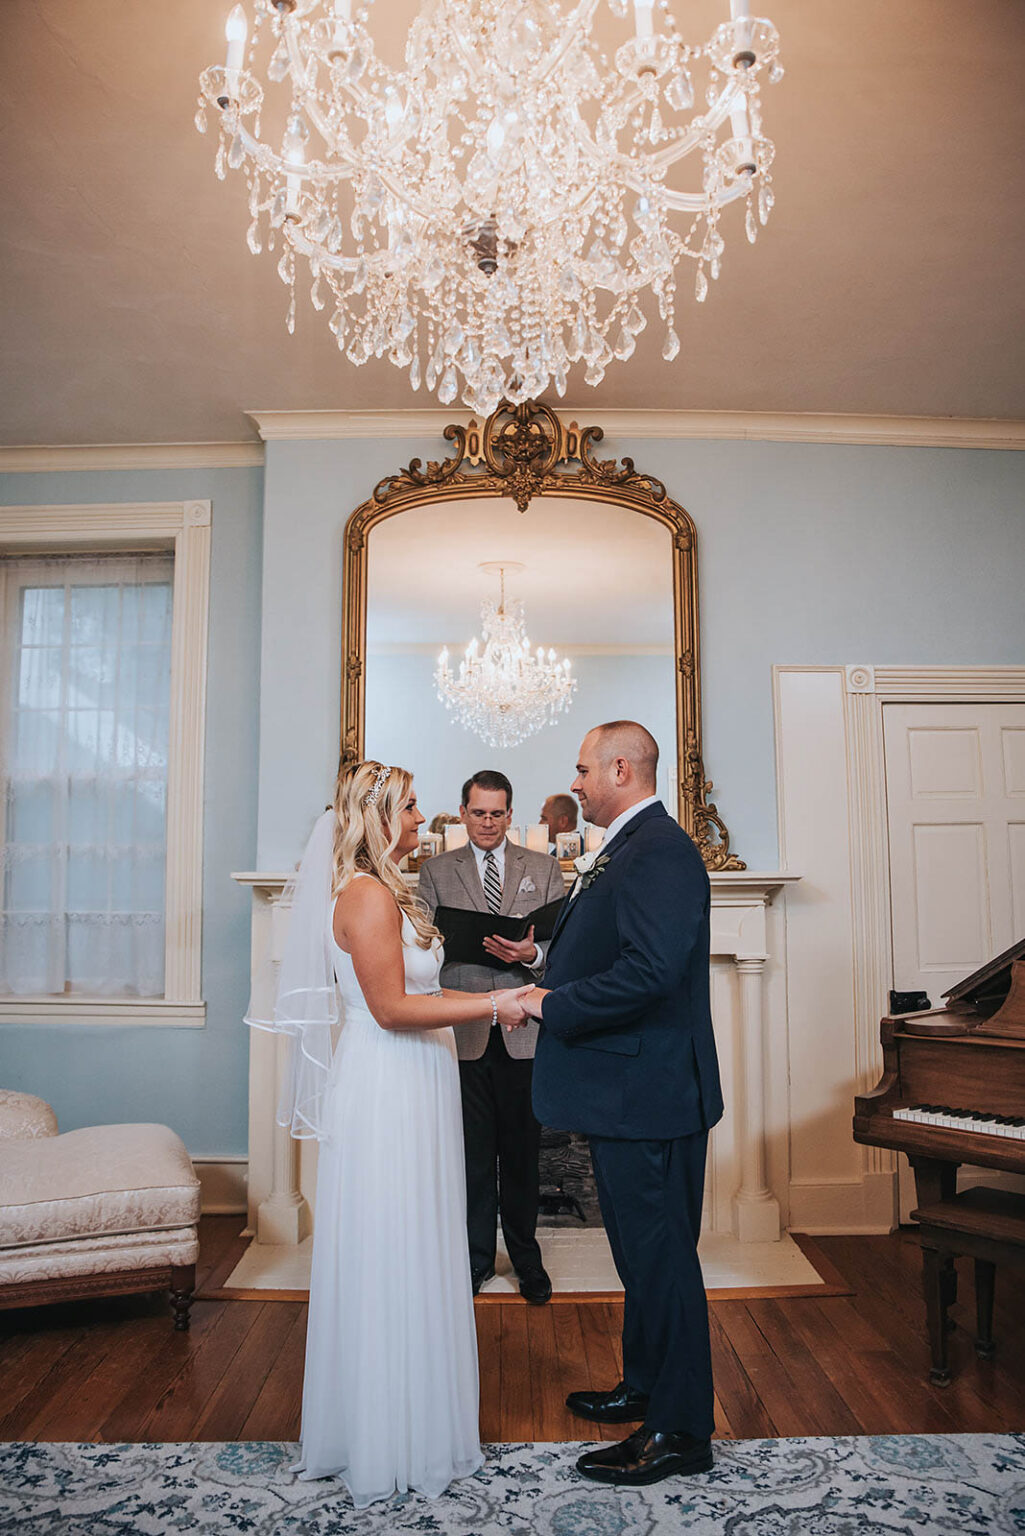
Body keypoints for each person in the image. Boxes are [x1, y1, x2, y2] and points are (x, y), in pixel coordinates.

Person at [247, 760, 533, 1507]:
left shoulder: (386, 889)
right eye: (407, 808)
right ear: (375, 816)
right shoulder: (367, 895)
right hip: (389, 1083)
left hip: (419, 1079)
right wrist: (495, 1006)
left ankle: (418, 1423)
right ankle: (385, 1437)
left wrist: (500, 993)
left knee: (419, 1242)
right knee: (392, 1247)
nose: (418, 819)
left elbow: (417, 990)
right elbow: (390, 1011)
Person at [519, 721, 722, 1487]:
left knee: (661, 1263)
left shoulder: (661, 850)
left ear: (619, 767)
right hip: (629, 1091)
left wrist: (546, 1003)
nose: (573, 783)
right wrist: (545, 960)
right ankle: (644, 1387)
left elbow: (651, 973)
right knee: (640, 1260)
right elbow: (614, 949)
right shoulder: (628, 847)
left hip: (652, 1094)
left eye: (580, 770)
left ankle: (679, 1431)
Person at [418, 769, 566, 1304]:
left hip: (525, 1029)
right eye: (478, 813)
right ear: (463, 813)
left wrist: (532, 955)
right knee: (473, 1156)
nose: (487, 822)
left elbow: (563, 950)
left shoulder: (545, 868)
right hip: (466, 1030)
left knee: (524, 1155)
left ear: (510, 814)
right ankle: (476, 1260)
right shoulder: (434, 871)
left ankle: (527, 1261)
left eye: (497, 813)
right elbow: (426, 949)